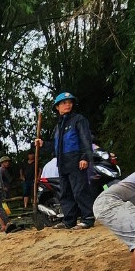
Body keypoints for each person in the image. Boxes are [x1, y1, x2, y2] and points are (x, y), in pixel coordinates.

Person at [36, 92, 96, 229]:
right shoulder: (58, 126)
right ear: (57, 107)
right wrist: (43, 144)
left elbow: (86, 140)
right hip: (62, 163)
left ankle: (87, 218)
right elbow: (55, 147)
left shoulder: (78, 120)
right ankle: (69, 221)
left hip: (76, 160)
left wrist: (85, 157)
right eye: (64, 103)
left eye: (69, 102)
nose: (67, 104)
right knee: (65, 193)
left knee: (80, 190)